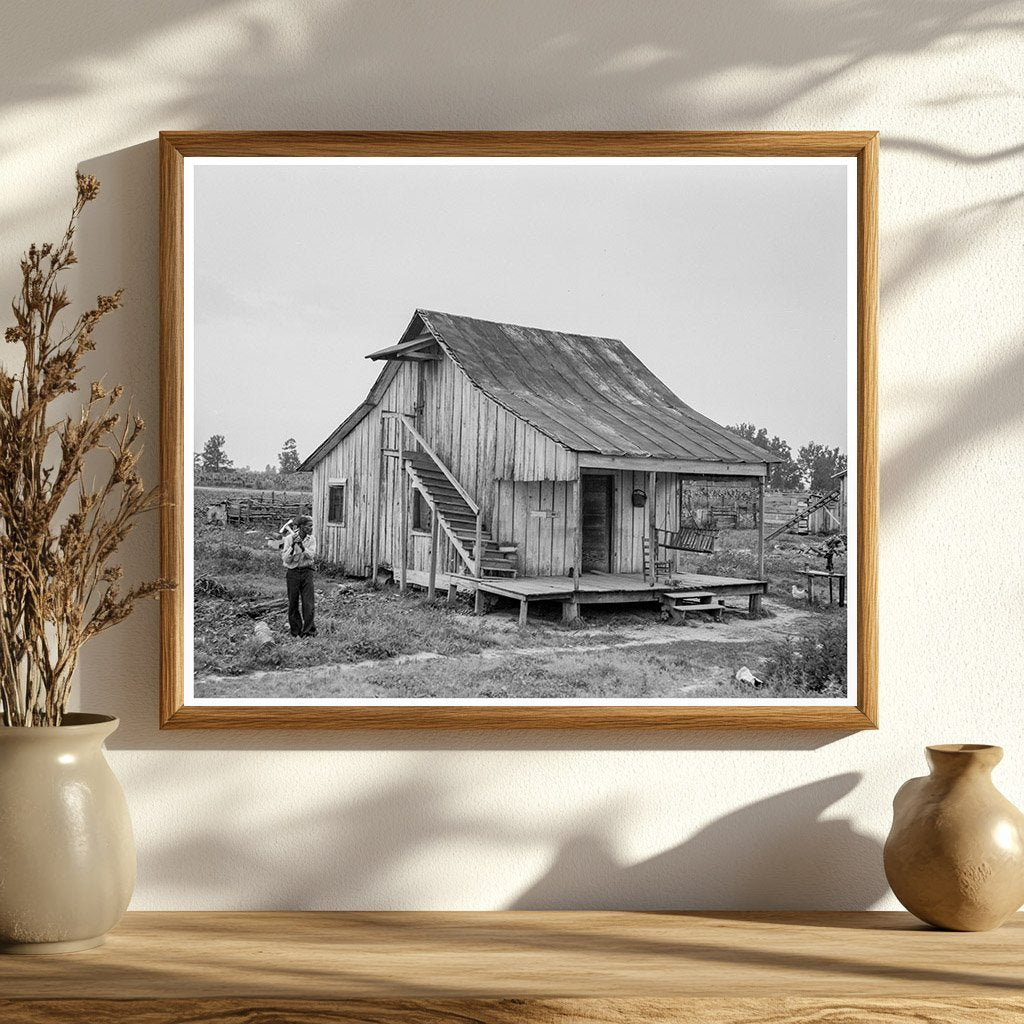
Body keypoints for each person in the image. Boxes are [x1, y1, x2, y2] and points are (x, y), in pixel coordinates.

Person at [281, 515, 317, 637]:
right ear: (301, 527)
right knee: (293, 603)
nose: (311, 528)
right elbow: (285, 560)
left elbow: (311, 555)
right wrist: (292, 547)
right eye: (309, 526)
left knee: (309, 604)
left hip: (307, 573)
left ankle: (309, 632)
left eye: (312, 525)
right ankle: (295, 631)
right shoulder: (289, 539)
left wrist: (302, 547)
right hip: (293, 573)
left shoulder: (311, 539)